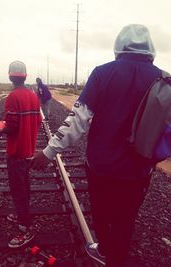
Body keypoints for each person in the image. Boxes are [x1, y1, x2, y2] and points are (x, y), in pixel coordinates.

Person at [30, 24, 164, 267]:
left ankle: (104, 251)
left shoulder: (103, 73)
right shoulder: (163, 78)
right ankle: (118, 258)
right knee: (126, 219)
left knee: (103, 215)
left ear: (119, 46)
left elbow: (78, 120)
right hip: (139, 169)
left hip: (102, 166)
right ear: (150, 49)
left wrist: (49, 151)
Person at [0, 60, 42, 248]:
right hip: (28, 149)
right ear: (25, 76)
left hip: (16, 152)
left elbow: (11, 127)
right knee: (25, 186)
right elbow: (37, 122)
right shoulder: (33, 96)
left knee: (18, 190)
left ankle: (25, 228)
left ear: (10, 76)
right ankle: (22, 215)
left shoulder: (13, 97)